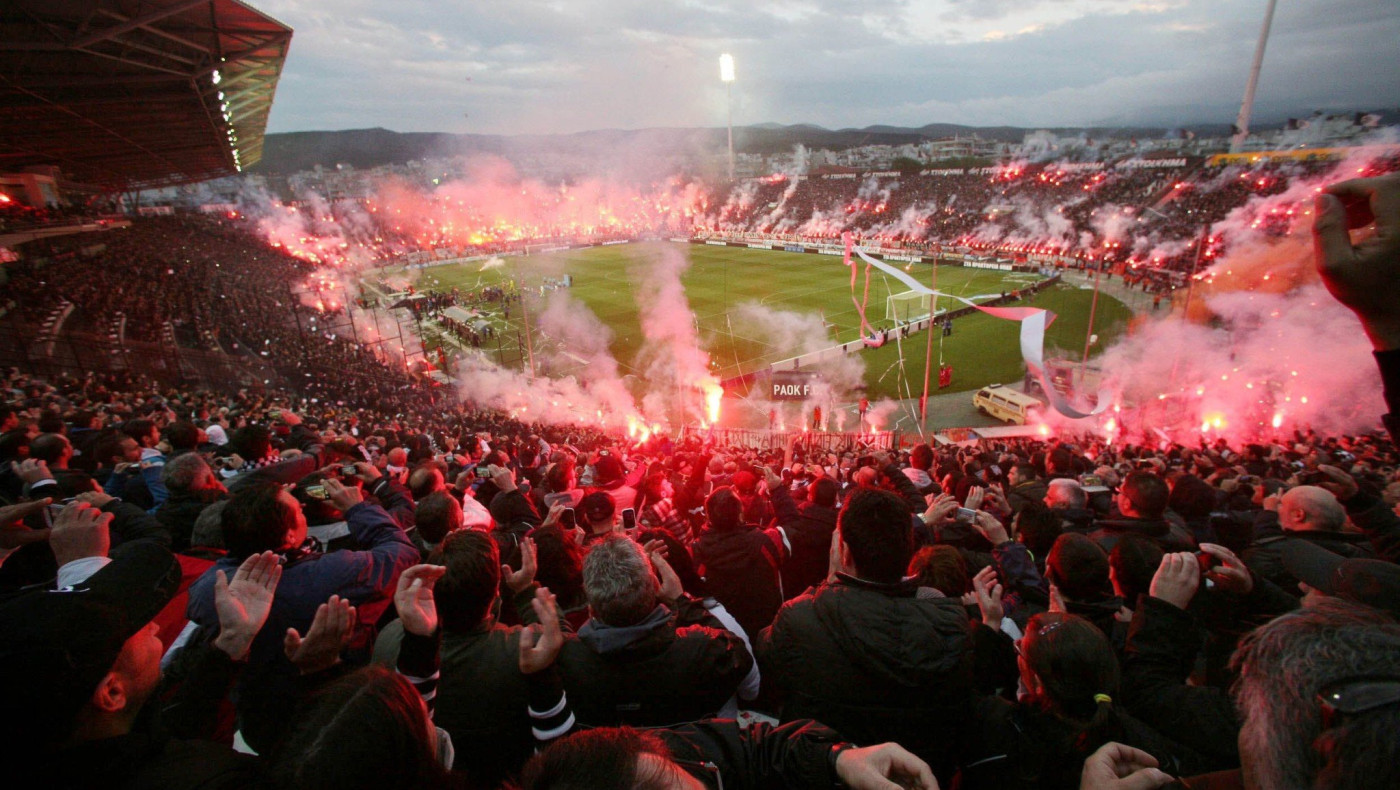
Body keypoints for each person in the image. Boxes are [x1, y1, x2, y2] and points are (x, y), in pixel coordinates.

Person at [758, 488, 977, 782]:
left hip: (827, 775)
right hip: (916, 778)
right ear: (908, 551)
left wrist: (827, 583)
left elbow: (765, 650)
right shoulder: (952, 625)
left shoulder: (800, 618)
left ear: (844, 552)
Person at [555, 535, 753, 727]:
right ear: (655, 592)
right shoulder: (698, 649)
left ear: (591, 609)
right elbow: (737, 652)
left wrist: (527, 596)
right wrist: (680, 601)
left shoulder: (567, 659)